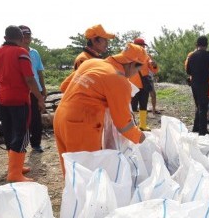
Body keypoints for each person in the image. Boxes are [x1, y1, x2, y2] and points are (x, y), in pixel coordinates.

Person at [54, 43, 147, 175]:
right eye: (137, 70)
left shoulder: (91, 63)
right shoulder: (119, 80)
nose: (134, 75)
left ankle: (73, 195)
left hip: (60, 117)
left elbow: (64, 86)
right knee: (86, 174)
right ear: (133, 64)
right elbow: (124, 125)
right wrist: (142, 139)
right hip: (81, 125)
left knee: (71, 172)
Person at [0, 25, 45, 182]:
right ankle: (15, 174)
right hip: (19, 99)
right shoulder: (21, 53)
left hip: (2, 98)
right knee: (21, 133)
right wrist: (40, 98)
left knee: (9, 132)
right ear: (21, 38)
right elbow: (29, 79)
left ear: (5, 38)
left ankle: (15, 167)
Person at [60, 24, 115, 93]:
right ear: (94, 40)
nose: (107, 43)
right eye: (104, 40)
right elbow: (83, 85)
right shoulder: (83, 59)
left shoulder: (94, 58)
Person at [19, 25, 47, 152]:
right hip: (22, 90)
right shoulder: (16, 52)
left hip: (36, 90)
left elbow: (39, 71)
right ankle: (21, 145)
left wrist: (43, 89)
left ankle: (36, 144)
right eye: (24, 36)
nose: (26, 39)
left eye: (28, 36)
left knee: (36, 118)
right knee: (23, 118)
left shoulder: (34, 53)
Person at [186, 35, 209, 135]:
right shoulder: (208, 54)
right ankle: (202, 131)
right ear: (207, 45)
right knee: (203, 107)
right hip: (204, 84)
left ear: (196, 45)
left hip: (194, 84)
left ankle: (196, 127)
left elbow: (188, 71)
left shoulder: (191, 56)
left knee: (198, 106)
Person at [129, 38, 159, 130]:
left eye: (143, 46)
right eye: (141, 46)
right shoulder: (128, 56)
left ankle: (142, 125)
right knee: (132, 107)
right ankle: (132, 126)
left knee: (143, 104)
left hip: (144, 84)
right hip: (132, 85)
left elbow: (154, 70)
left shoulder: (147, 56)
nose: (143, 47)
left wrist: (154, 65)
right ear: (136, 46)